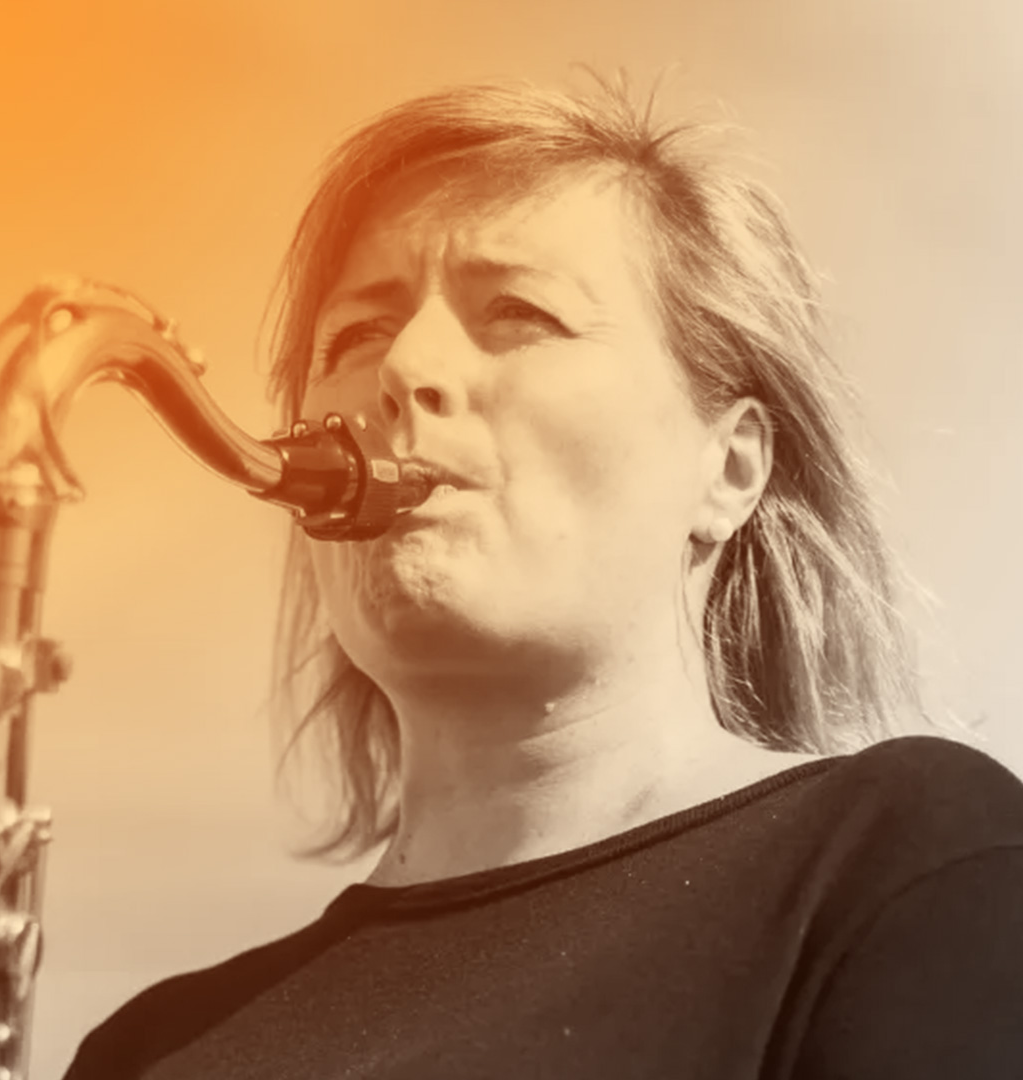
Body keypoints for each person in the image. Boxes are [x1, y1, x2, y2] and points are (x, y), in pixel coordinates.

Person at [64, 79, 1023, 1079]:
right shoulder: (146, 1049)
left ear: (731, 467)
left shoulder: (906, 862)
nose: (404, 368)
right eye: (353, 336)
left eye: (519, 313)